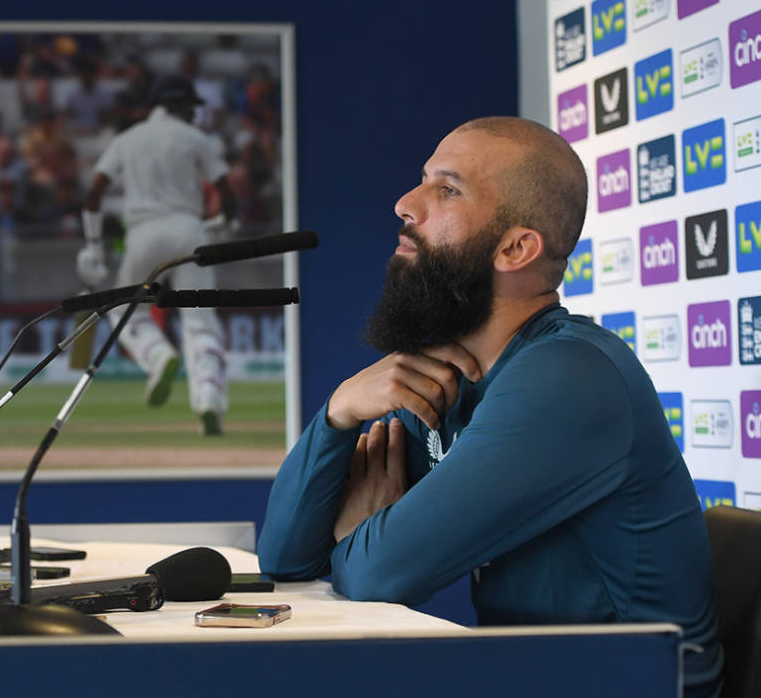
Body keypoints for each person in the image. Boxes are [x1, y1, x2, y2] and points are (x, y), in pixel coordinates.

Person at [257, 117, 723, 698]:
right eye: (422, 181)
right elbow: (284, 563)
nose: (405, 203)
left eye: (446, 190)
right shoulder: (445, 376)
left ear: (515, 247)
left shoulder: (568, 375)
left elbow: (377, 574)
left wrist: (359, 536)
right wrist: (338, 412)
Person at [77, 75, 238, 436]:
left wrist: (93, 244)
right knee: (200, 322)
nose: (194, 114)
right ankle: (209, 398)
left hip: (143, 233)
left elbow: (94, 193)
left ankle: (157, 355)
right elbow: (227, 193)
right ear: (178, 106)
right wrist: (222, 224)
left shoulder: (127, 139)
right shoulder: (196, 138)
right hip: (190, 232)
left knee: (122, 309)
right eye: (190, 107)